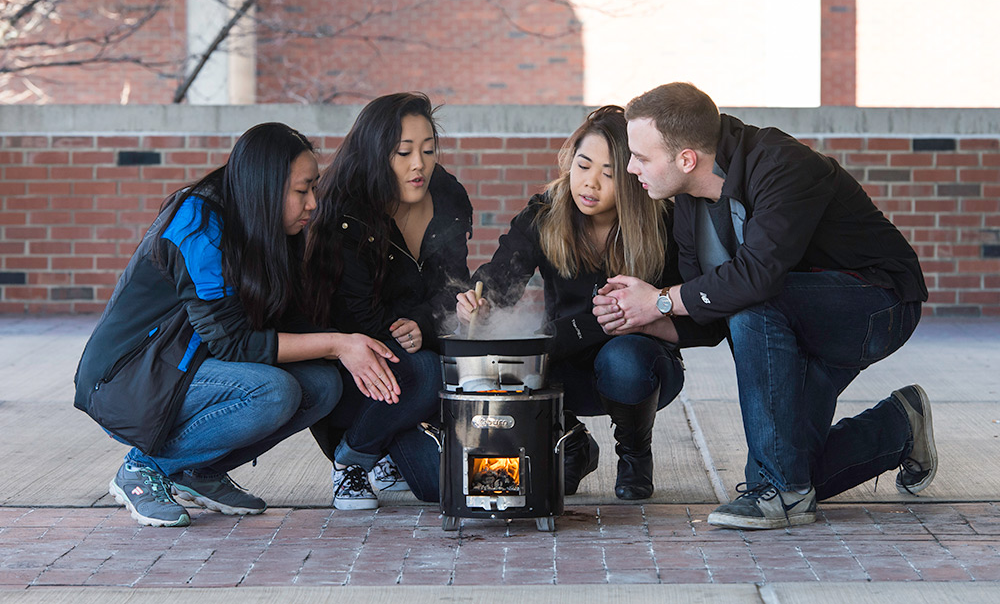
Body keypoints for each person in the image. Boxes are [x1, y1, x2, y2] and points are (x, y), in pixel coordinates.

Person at [595, 82, 932, 529]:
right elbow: (713, 312)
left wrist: (660, 300)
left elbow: (757, 278)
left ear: (686, 159)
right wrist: (640, 318)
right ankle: (899, 426)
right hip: (792, 321)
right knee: (787, 468)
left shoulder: (782, 165)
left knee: (755, 307)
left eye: (641, 156)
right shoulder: (688, 203)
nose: (631, 167)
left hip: (876, 304)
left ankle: (784, 493)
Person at [74, 123, 399, 528]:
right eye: (302, 191)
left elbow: (285, 320)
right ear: (265, 186)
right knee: (272, 391)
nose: (314, 203)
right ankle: (142, 468)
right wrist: (335, 344)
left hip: (188, 366)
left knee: (322, 386)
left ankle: (199, 470)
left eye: (314, 188)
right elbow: (234, 343)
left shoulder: (264, 224)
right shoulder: (197, 224)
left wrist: (359, 340)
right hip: (128, 378)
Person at [457, 105, 716, 500]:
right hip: (563, 363)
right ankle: (571, 442)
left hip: (642, 369)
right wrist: (478, 302)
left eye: (608, 174)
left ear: (631, 176)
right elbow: (499, 279)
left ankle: (634, 454)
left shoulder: (664, 219)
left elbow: (701, 317)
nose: (589, 183)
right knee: (514, 358)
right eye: (583, 165)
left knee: (624, 357)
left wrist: (652, 312)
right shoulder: (544, 212)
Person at [305, 92, 473, 508]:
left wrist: (430, 321)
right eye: (403, 152)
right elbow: (355, 317)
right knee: (425, 369)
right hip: (353, 369)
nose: (419, 164)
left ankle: (388, 439)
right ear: (376, 153)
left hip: (419, 365)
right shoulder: (345, 212)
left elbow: (454, 286)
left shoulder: (447, 196)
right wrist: (414, 334)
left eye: (428, 150)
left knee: (442, 487)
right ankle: (351, 460)